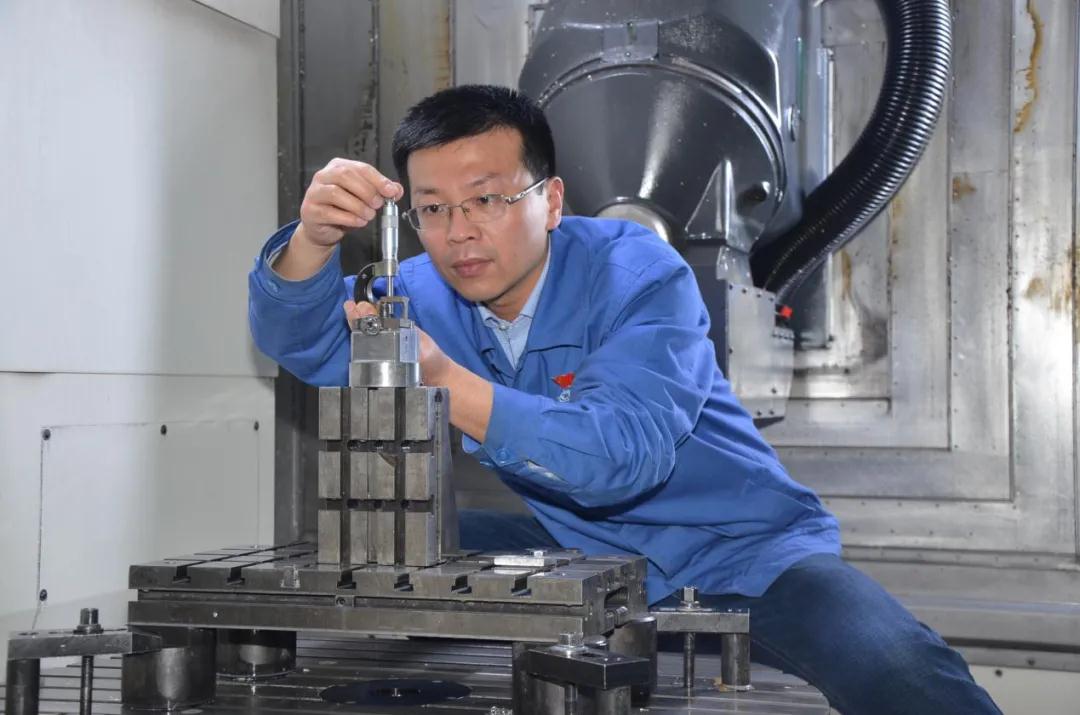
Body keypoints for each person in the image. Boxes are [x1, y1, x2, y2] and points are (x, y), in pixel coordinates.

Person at [248, 84, 1001, 714]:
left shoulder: (636, 272)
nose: (460, 233)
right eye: (434, 208)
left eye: (488, 199)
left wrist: (445, 379)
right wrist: (312, 241)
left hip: (743, 553)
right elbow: (308, 345)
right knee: (388, 537)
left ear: (552, 200)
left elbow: (620, 456)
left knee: (900, 672)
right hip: (583, 549)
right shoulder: (422, 291)